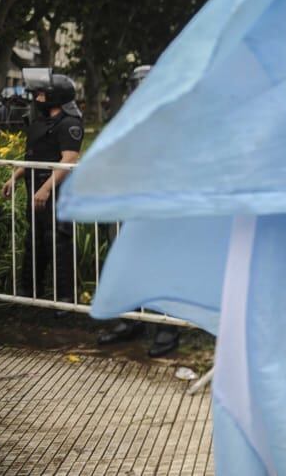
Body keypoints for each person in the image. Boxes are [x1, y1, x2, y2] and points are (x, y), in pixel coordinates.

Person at [95, 64, 180, 357]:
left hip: (161, 203)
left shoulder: (173, 117)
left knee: (163, 265)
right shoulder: (129, 117)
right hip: (130, 201)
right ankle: (131, 321)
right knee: (127, 261)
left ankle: (166, 326)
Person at [1, 69, 84, 305]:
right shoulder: (40, 123)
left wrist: (46, 188)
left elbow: (69, 159)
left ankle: (66, 299)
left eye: (41, 94)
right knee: (34, 241)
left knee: (58, 242)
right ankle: (30, 293)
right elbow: (32, 157)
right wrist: (15, 178)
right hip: (35, 191)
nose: (37, 97)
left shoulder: (70, 123)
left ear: (56, 96)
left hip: (56, 193)